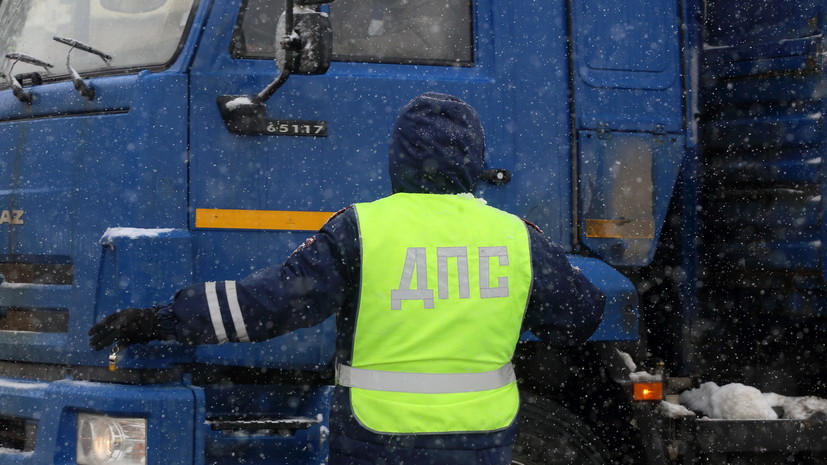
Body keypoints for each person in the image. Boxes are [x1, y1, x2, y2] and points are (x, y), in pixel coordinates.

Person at [89, 92, 605, 465]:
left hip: (379, 440)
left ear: (397, 158)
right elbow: (581, 317)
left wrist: (159, 320)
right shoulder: (517, 237)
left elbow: (268, 306)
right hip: (481, 441)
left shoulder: (362, 228)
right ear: (475, 159)